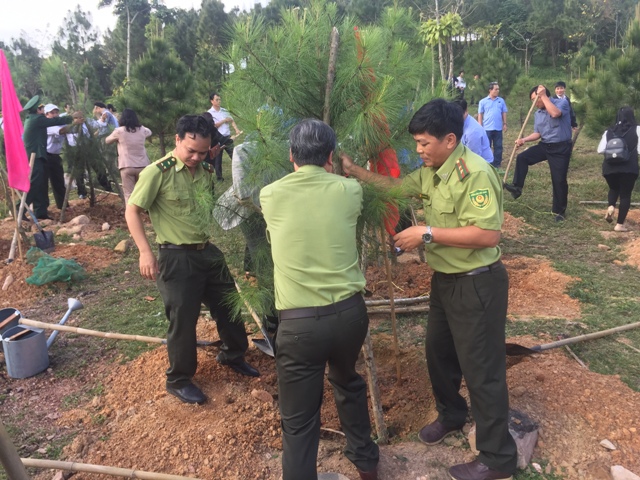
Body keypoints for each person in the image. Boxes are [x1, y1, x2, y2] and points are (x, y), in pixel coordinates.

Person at [341, 99, 517, 480]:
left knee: (482, 369)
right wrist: (354, 171)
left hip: (478, 284)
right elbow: (396, 188)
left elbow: (488, 234)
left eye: (423, 143)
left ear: (450, 139)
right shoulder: (431, 172)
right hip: (445, 282)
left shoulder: (476, 174)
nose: (418, 151)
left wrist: (427, 233)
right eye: (417, 144)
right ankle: (452, 415)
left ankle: (497, 459)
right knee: (439, 354)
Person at [260, 119, 379, 480]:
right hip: (349, 317)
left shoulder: (270, 194)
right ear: (331, 155)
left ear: (290, 155)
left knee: (299, 422)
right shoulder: (351, 190)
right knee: (347, 381)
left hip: (299, 327)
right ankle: (367, 464)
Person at [125, 114, 259, 406]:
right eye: (191, 151)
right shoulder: (156, 173)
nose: (197, 157)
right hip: (175, 256)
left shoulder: (206, 173)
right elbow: (132, 211)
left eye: (203, 151)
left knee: (229, 307)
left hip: (206, 251)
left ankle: (233, 355)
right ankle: (179, 379)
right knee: (183, 320)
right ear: (177, 140)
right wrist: (145, 252)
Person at [504, 85, 573, 222]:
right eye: (532, 101)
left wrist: (544, 97)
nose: (534, 104)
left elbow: (555, 114)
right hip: (545, 145)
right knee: (523, 157)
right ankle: (517, 187)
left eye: (536, 100)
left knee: (558, 180)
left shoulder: (561, 103)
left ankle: (559, 212)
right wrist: (524, 139)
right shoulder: (538, 113)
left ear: (543, 96)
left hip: (560, 148)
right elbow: (538, 133)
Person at [22, 96, 80, 219]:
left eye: (56, 112)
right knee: (39, 184)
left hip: (50, 156)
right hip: (41, 156)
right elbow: (60, 129)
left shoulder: (38, 119)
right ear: (40, 111)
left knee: (55, 182)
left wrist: (75, 120)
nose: (54, 114)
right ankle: (27, 209)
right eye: (50, 112)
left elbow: (64, 125)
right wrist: (73, 120)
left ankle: (47, 209)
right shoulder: (40, 121)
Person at [596, 106, 640, 232]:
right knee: (625, 195)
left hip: (609, 168)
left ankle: (611, 206)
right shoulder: (637, 129)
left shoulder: (609, 131)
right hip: (628, 168)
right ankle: (619, 225)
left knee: (613, 188)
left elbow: (600, 150)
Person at [105, 108, 152, 202]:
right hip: (143, 165)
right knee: (143, 191)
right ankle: (146, 211)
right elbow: (149, 132)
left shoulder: (119, 131)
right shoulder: (142, 129)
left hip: (127, 165)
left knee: (128, 194)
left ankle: (131, 215)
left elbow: (107, 140)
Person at [208, 92, 242, 181]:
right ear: (212, 101)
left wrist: (236, 129)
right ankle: (219, 178)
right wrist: (223, 120)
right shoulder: (210, 113)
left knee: (234, 155)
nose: (219, 101)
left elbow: (231, 120)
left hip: (228, 137)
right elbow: (213, 126)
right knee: (218, 159)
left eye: (220, 99)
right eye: (217, 100)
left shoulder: (224, 110)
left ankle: (240, 173)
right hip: (218, 138)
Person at [44, 104, 70, 210]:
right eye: (52, 113)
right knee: (44, 183)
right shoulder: (47, 125)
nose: (55, 115)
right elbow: (61, 131)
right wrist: (74, 124)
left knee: (59, 181)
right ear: (46, 115)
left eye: (56, 112)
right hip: (46, 156)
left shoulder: (59, 123)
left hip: (55, 156)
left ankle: (63, 205)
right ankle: (42, 209)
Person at [478, 82, 508, 168]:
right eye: (496, 89)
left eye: (498, 89)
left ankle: (497, 164)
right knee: (486, 146)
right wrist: (480, 125)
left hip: (498, 128)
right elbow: (480, 114)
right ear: (490, 90)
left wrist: (505, 123)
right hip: (487, 128)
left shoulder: (501, 101)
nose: (498, 91)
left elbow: (504, 112)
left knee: (498, 147)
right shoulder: (483, 102)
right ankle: (487, 163)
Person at [454, 98, 494, 164]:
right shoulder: (460, 122)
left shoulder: (472, 132)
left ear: (466, 111)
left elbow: (473, 158)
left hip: (481, 164)